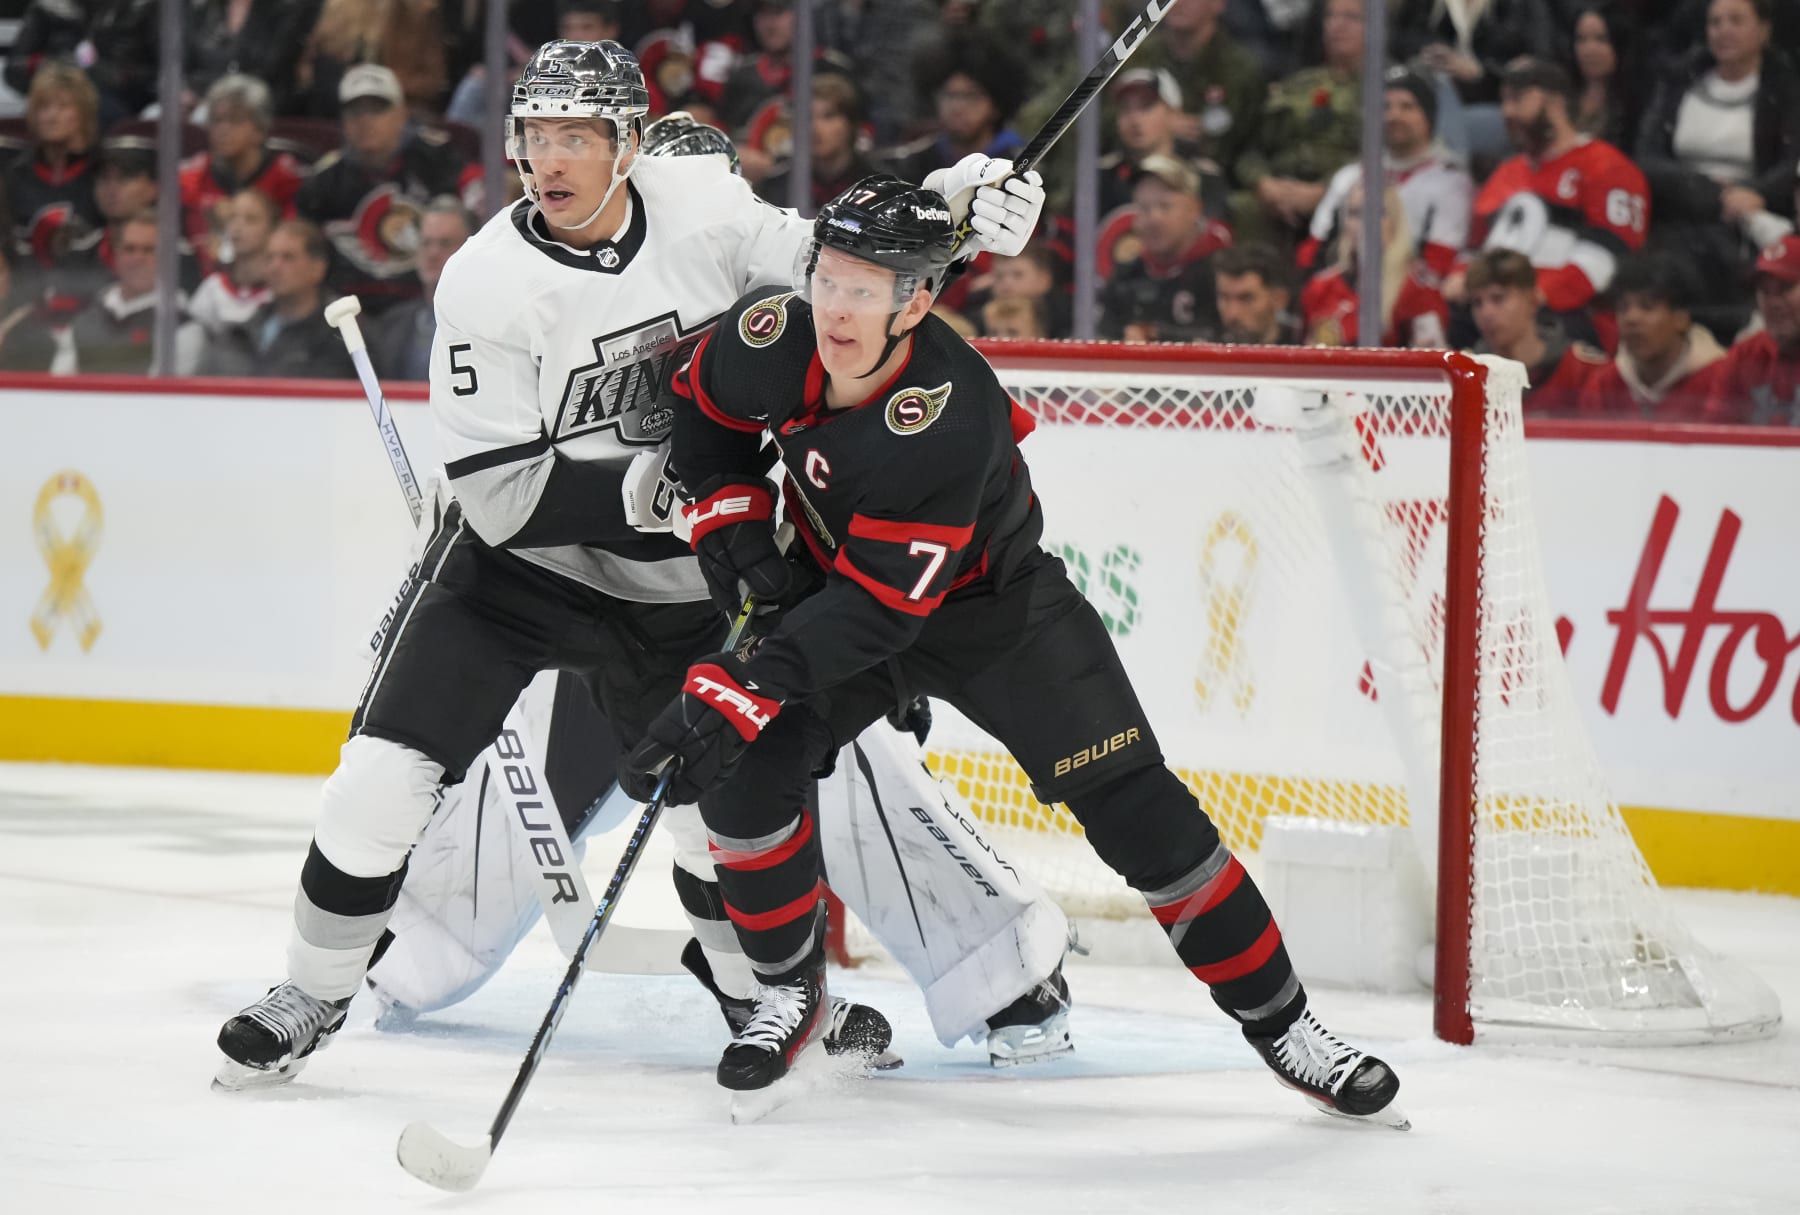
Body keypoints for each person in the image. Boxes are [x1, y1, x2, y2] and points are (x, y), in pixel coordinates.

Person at [212, 39, 1052, 1090]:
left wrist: (954, 209)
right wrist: (648, 490)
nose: (549, 160)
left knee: (728, 824)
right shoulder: (485, 280)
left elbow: (845, 270)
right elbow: (500, 502)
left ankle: (772, 1000)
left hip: (686, 590)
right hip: (521, 579)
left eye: (577, 136)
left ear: (630, 141)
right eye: (534, 137)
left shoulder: (699, 202)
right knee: (374, 787)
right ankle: (311, 989)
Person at [626, 174, 1405, 1128]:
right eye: (829, 276)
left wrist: (732, 683)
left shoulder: (950, 414)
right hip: (846, 592)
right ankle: (787, 995)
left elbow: (880, 616)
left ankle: (1288, 1026)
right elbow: (699, 410)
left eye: (868, 288)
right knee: (746, 776)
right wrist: (738, 536)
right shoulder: (773, 335)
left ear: (918, 300)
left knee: (1142, 818)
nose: (837, 305)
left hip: (1000, 618)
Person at [1633, 0, 1800, 340]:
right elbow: (1647, 156)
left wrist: (1758, 193)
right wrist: (1707, 190)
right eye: (1715, 22)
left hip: (1753, 214)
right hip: (1684, 207)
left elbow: (1792, 161)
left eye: (1736, 20)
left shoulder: (1785, 88)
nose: (1724, 30)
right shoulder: (1679, 81)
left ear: (1764, 30)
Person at [1463, 56, 1649, 351]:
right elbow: (1474, 249)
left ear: (1555, 103)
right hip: (1498, 310)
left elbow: (1608, 259)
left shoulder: (1606, 167)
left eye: (1518, 99)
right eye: (1504, 101)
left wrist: (1530, 299)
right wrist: (1463, 281)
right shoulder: (1506, 173)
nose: (1507, 112)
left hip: (1570, 317)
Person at [295, 63, 481, 316]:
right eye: (355, 112)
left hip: (430, 304)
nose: (365, 121)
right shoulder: (323, 181)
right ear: (343, 121)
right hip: (350, 311)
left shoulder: (438, 158)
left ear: (401, 114)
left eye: (377, 109)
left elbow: (485, 197)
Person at [1303, 68, 1473, 279]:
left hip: (1410, 297)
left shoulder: (1450, 183)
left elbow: (1440, 263)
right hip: (1343, 292)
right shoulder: (1349, 177)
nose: (1394, 115)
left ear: (1428, 116)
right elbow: (1311, 253)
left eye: (1407, 107)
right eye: (1385, 107)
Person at [1229, 0, 1366, 251]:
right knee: (1242, 206)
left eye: (1351, 18)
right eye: (1331, 17)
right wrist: (1263, 183)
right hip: (1279, 191)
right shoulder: (1297, 85)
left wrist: (1324, 191)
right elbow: (1252, 148)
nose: (1337, 26)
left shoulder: (1386, 90)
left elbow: (1382, 156)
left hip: (1345, 191)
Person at [194, 219, 357, 381]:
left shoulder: (345, 336)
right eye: (269, 257)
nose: (275, 267)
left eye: (288, 257)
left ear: (317, 268)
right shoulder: (238, 335)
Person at [179, 75, 307, 278]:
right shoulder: (189, 178)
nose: (222, 130)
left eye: (234, 120)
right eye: (216, 120)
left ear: (260, 129)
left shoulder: (288, 181)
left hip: (269, 287)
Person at [1097, 155, 1232, 343]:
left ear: (1194, 209)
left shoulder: (1224, 273)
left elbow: (1235, 338)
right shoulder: (1125, 277)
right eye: (1144, 208)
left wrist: (1157, 335)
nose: (1154, 219)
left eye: (1165, 206)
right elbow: (1104, 339)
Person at [1127, 0, 1264, 181]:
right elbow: (1104, 124)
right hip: (1142, 176)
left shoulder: (1241, 69)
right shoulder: (1135, 57)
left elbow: (1249, 144)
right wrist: (1156, 125)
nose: (1177, 3)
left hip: (1218, 183)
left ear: (1218, 4)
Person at [1300, 182, 1449, 348]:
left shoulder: (1419, 288)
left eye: (1376, 213)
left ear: (1395, 220)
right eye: (1355, 213)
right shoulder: (1321, 287)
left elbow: (1432, 357)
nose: (1366, 224)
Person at [1466, 248, 1608, 414]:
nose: (1486, 313)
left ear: (1532, 301)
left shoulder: (1584, 371)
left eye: (1498, 298)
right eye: (1477, 303)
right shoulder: (1465, 375)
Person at [1586, 253, 1727, 420]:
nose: (1631, 319)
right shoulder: (1603, 386)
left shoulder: (1724, 380)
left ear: (1681, 318)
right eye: (1623, 308)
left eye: (1647, 307)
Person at [62, 209, 201, 376]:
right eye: (129, 249)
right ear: (116, 254)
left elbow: (158, 395)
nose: (138, 258)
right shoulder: (89, 312)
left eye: (149, 250)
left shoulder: (180, 324)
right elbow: (61, 379)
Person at [368, 197, 473, 383]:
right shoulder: (392, 324)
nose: (432, 253)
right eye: (426, 243)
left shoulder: (491, 323)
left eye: (445, 243)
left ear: (470, 250)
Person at [1701, 235, 1800, 423]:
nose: (1773, 302)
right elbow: (1714, 440)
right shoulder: (1743, 357)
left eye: (1786, 288)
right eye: (1764, 291)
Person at [756, 76, 879, 211]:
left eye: (828, 116)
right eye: (807, 117)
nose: (814, 128)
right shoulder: (774, 187)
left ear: (851, 124)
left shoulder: (877, 187)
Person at [187, 189, 280, 345]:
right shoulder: (212, 288)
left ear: (272, 229)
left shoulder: (282, 291)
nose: (237, 227)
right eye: (232, 218)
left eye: (251, 219)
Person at [1213, 242, 1302, 345]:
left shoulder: (1305, 355)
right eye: (1224, 297)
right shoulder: (1203, 355)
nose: (1233, 313)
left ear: (1279, 299)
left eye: (1246, 299)